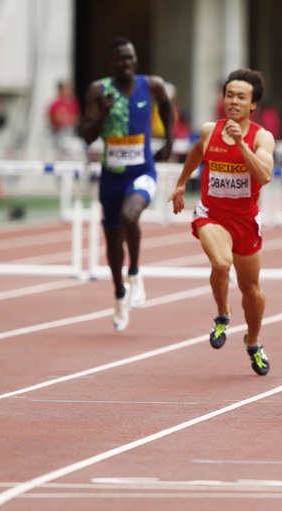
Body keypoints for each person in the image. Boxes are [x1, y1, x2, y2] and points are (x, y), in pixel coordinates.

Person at [168, 69, 275, 376]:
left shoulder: (261, 137)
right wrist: (180, 183)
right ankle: (222, 313)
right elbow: (195, 153)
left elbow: (264, 175)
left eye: (241, 97)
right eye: (229, 95)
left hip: (245, 220)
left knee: (251, 289)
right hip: (212, 214)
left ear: (253, 104)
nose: (233, 101)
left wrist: (242, 145)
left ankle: (253, 342)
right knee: (221, 264)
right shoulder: (208, 130)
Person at [80, 36, 174, 332]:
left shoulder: (152, 85)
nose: (127, 63)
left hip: (142, 171)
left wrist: (169, 140)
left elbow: (167, 107)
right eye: (121, 59)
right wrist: (104, 112)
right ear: (112, 63)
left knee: (130, 215)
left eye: (131, 58)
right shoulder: (99, 90)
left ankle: (134, 272)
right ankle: (119, 293)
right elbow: (86, 135)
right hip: (111, 176)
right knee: (112, 239)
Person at [48, 80, 81, 158]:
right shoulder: (55, 103)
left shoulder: (73, 102)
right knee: (59, 155)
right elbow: (53, 118)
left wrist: (67, 118)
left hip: (70, 132)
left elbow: (77, 118)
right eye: (65, 89)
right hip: (58, 133)